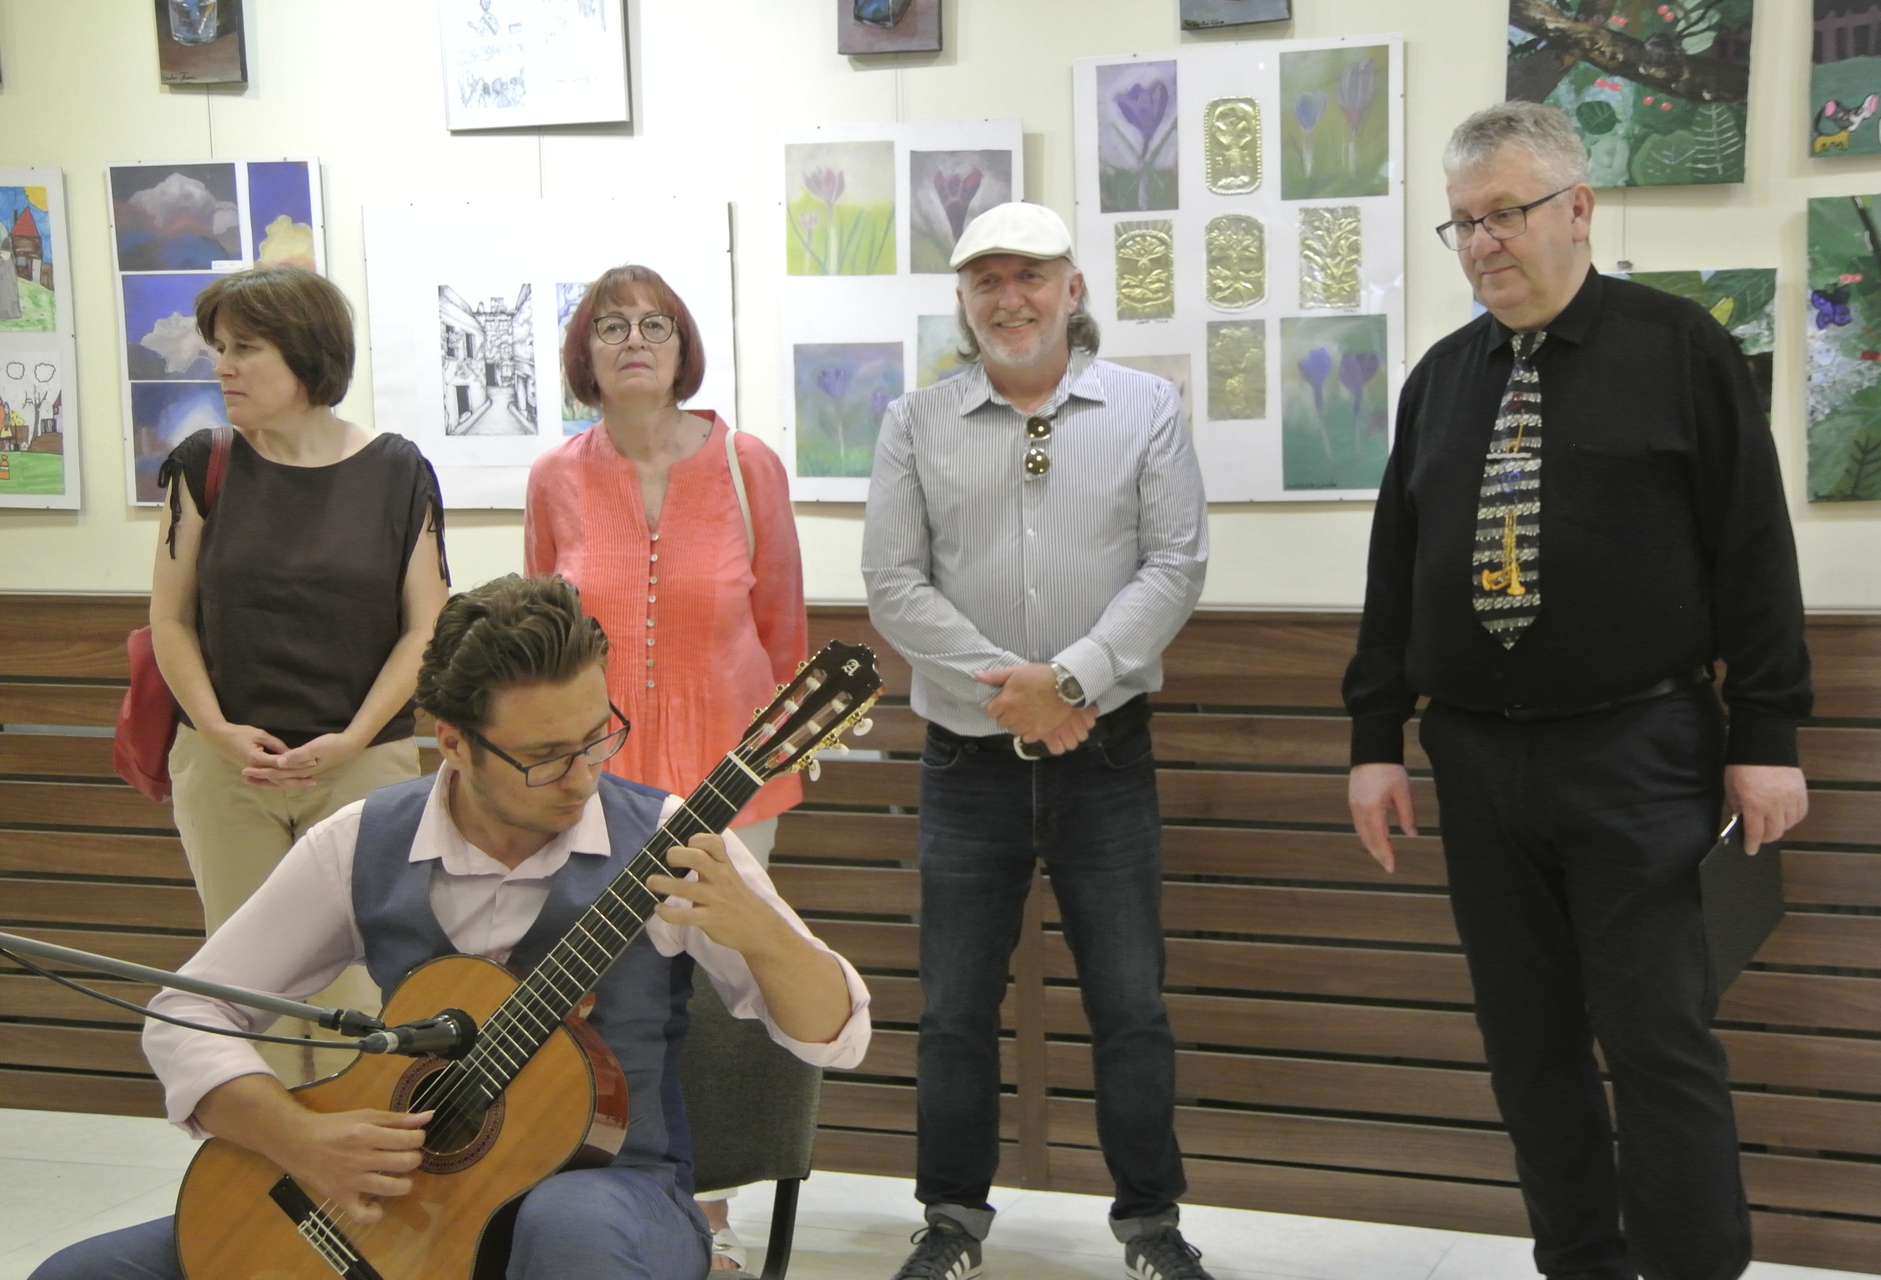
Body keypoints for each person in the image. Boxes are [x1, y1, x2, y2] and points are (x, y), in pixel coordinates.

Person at [31, 573, 871, 1280]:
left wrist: (763, 934)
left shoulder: (671, 838)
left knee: (568, 1236)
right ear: (455, 744)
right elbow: (186, 1012)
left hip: (611, 1196)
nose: (582, 776)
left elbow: (839, 1038)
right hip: (395, 1201)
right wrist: (303, 1138)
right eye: (544, 757)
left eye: (597, 738)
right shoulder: (361, 842)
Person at [1342, 102, 1811, 1280]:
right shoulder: (1440, 379)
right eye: (1461, 222)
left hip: (1638, 749)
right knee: (1527, 1047)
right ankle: (1580, 1262)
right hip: (1477, 760)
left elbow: (1752, 547)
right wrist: (1374, 737)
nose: (1481, 243)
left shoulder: (1680, 348)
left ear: (1578, 208)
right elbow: (1396, 568)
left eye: (1504, 213)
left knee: (1658, 1043)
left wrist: (1766, 734)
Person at [862, 202, 1211, 1280]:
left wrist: (1067, 681)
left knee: (1130, 1004)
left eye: (1031, 276)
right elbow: (891, 582)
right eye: (986, 280)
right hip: (964, 760)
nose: (1009, 298)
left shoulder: (1146, 407)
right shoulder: (914, 420)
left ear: (1073, 288)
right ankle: (950, 1220)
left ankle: (1150, 1224)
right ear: (962, 302)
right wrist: (1011, 690)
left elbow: (1176, 564)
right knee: (955, 1010)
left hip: (1106, 753)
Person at [525, 264, 806, 1269]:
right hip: (594, 784)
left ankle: (711, 1213)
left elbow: (782, 628)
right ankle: (621, 1191)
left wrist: (773, 762)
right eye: (611, 326)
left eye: (654, 324)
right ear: (585, 354)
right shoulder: (555, 477)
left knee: (720, 1000)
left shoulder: (746, 464)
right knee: (617, 997)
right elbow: (539, 641)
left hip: (733, 778)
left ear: (683, 348)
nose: (634, 340)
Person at [150, 265, 449, 1084]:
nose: (223, 367)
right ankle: (262, 1159)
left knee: (363, 989)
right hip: (225, 770)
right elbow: (169, 620)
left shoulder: (397, 470)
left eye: (245, 348)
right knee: (243, 990)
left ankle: (357, 1151)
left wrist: (352, 737)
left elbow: (426, 627)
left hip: (362, 768)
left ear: (308, 355)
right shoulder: (204, 464)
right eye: (219, 348)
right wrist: (216, 729)